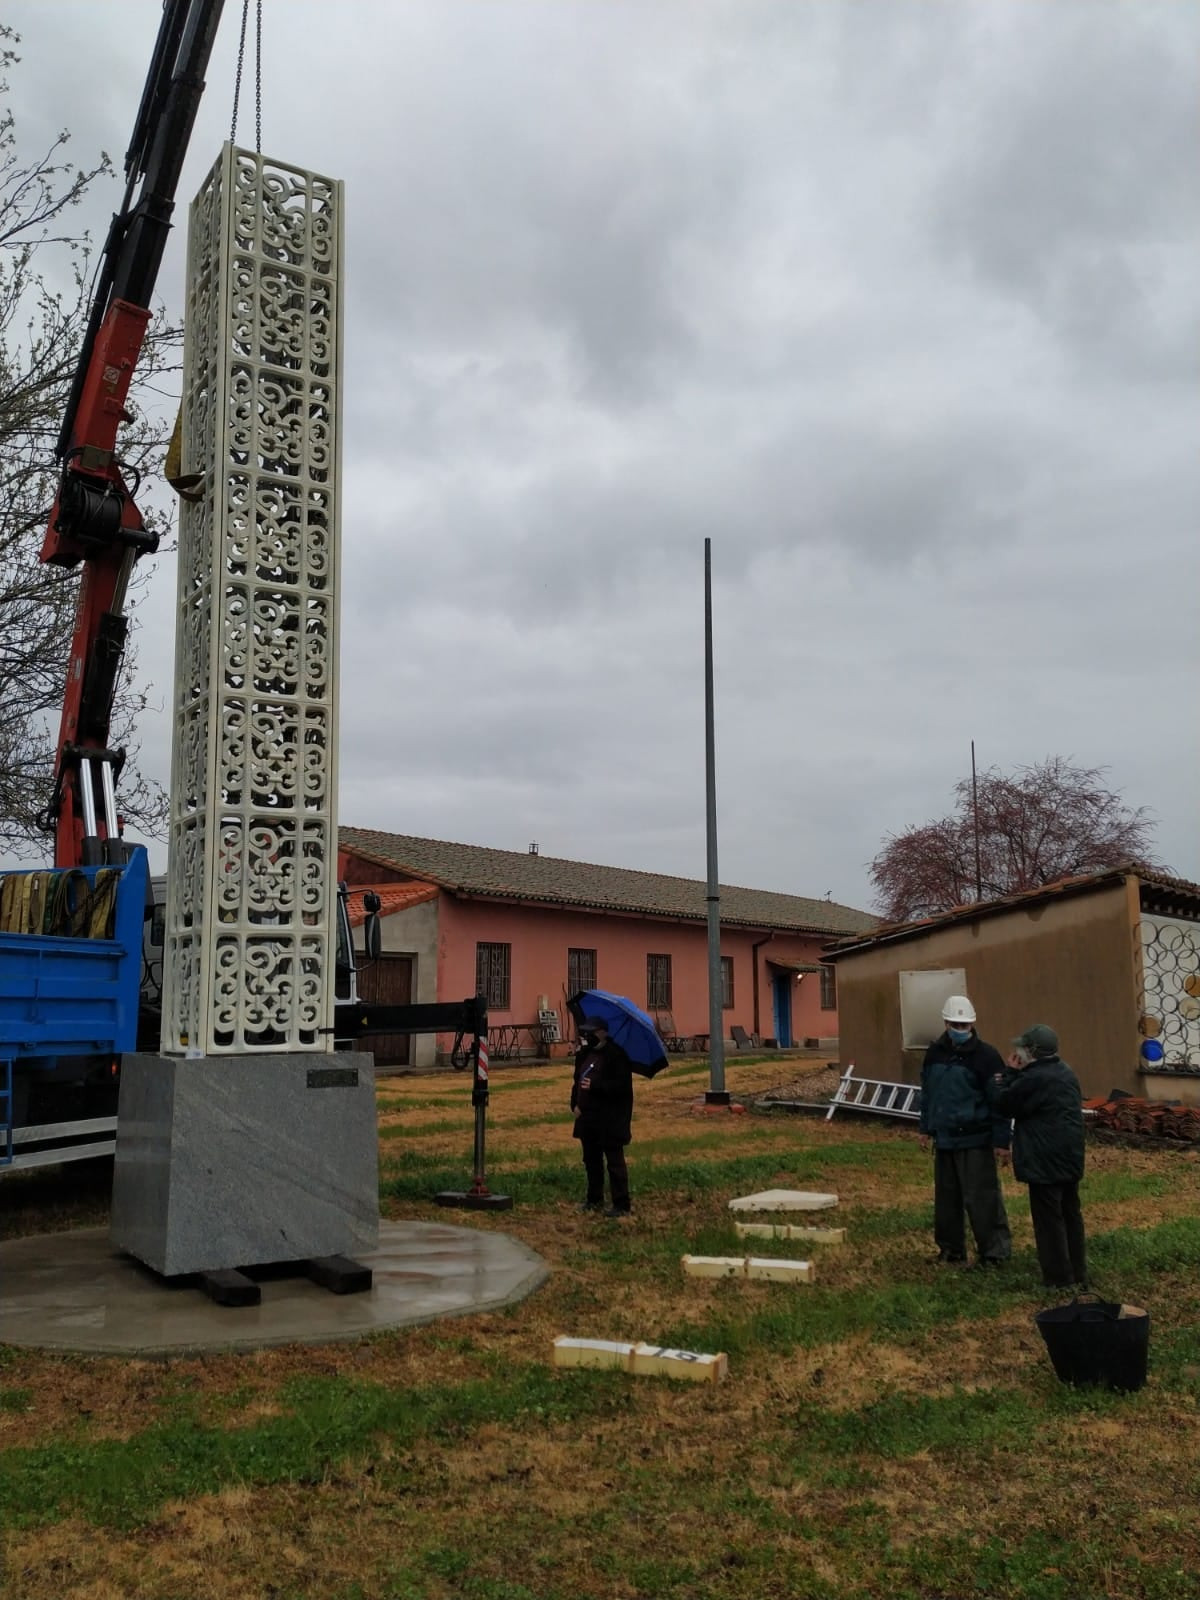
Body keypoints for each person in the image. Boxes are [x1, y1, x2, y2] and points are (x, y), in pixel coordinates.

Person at [990, 1024, 1087, 1291]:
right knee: (1070, 1215)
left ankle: (1058, 1279)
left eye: (1022, 1047)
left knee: (1049, 1220)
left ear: (1031, 1051)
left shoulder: (1035, 1078)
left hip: (1044, 1158)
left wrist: (1008, 1073)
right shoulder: (1065, 1072)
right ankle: (1078, 1273)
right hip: (1069, 1155)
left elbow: (1004, 1103)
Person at [919, 995, 1012, 1267]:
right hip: (944, 1138)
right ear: (946, 1023)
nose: (960, 1030)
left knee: (982, 1198)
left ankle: (994, 1254)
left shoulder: (987, 1057)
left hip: (975, 1139)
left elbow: (999, 1102)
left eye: (965, 1025)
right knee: (946, 1200)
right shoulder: (934, 1053)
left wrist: (1002, 1140)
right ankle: (951, 1251)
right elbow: (928, 1095)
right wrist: (925, 1128)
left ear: (972, 1024)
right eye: (956, 1024)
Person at [571, 1016, 635, 1218]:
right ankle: (594, 1198)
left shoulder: (616, 1056)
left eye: (592, 1032)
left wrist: (596, 1087)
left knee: (614, 1162)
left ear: (603, 1032)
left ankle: (621, 1203)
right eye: (586, 1031)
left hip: (609, 1119)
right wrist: (574, 1104)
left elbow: (621, 1088)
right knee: (591, 1160)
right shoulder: (584, 1054)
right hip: (587, 1117)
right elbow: (577, 1081)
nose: (588, 1036)